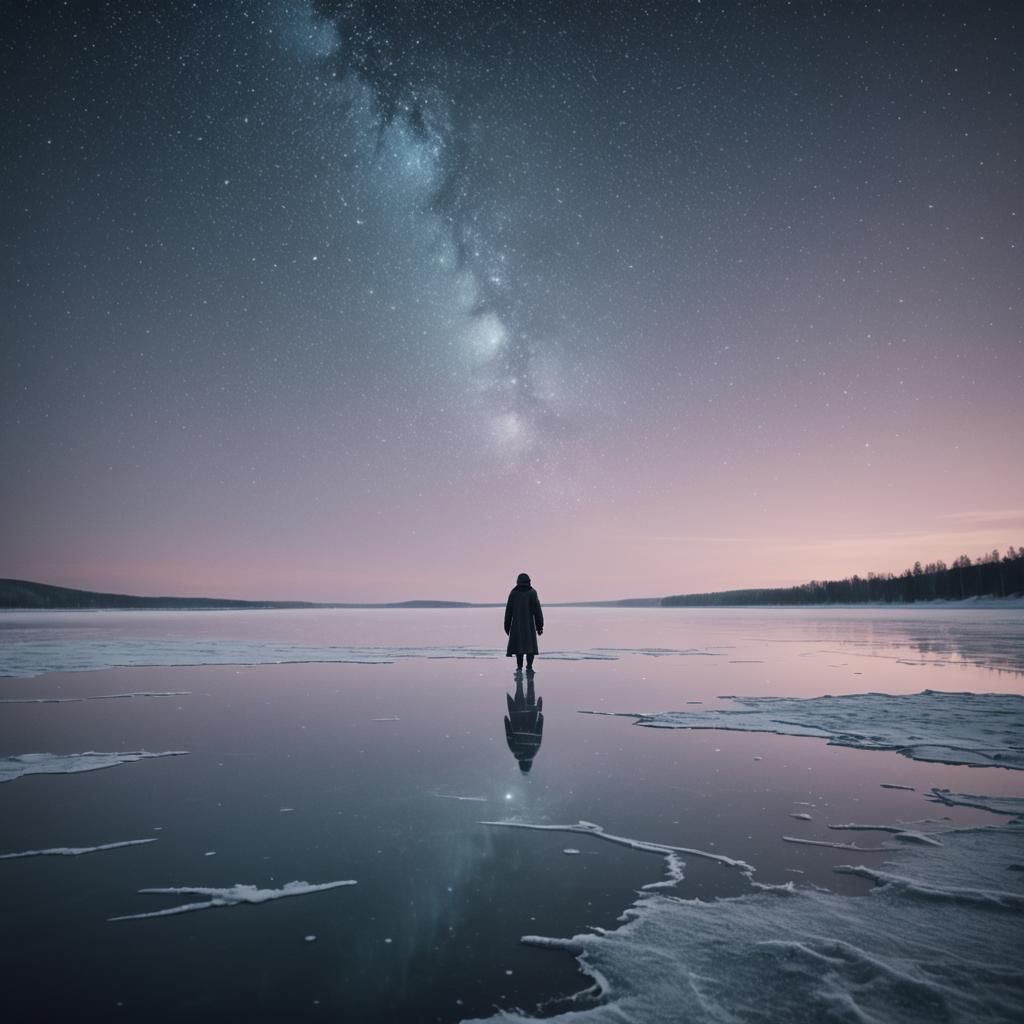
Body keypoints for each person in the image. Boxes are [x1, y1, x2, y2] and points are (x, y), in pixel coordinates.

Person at [504, 572, 543, 673]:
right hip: (529, 626)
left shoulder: (514, 593)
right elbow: (537, 610)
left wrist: (507, 626)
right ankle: (529, 666)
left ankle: (520, 667)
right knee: (530, 648)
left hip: (517, 626)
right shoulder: (532, 592)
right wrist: (539, 626)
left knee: (519, 648)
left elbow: (508, 611)